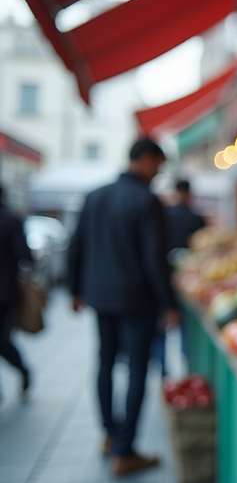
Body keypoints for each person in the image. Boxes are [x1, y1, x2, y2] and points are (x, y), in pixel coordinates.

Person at [68, 138, 178, 476]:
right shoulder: (147, 201)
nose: (158, 174)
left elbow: (77, 246)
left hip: (100, 297)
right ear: (145, 159)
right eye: (157, 166)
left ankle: (110, 434)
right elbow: (154, 259)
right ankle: (125, 449)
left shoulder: (95, 196)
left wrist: (75, 290)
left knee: (104, 362)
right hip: (137, 300)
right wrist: (168, 304)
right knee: (137, 371)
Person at [150, 179, 206, 376]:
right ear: (189, 193)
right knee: (184, 326)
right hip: (189, 279)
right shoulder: (196, 218)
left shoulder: (165, 215)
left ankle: (163, 370)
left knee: (161, 325)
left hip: (163, 275)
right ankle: (186, 366)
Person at [0, 184, 32, 400]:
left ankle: (23, 369)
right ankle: (23, 370)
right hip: (7, 291)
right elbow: (25, 256)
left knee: (1, 339)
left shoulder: (11, 219)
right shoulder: (11, 219)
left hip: (6, 292)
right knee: (2, 339)